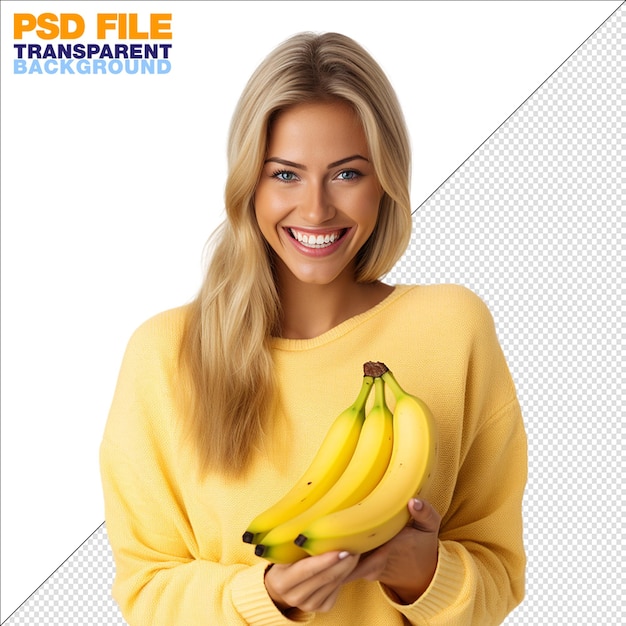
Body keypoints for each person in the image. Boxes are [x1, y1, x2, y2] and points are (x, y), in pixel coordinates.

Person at [100, 31, 527, 625]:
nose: (317, 208)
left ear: (386, 181)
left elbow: (499, 576)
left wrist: (423, 574)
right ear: (249, 183)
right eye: (286, 175)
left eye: (348, 174)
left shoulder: (453, 329)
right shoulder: (165, 355)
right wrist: (266, 596)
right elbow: (145, 590)